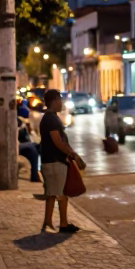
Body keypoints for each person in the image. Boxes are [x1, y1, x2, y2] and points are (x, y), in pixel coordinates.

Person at [39, 89, 86, 232]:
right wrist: (73, 155)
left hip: (52, 161)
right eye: (60, 99)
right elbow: (58, 142)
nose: (62, 103)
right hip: (55, 162)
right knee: (61, 194)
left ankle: (48, 222)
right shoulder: (51, 119)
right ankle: (63, 224)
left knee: (53, 193)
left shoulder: (50, 117)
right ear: (54, 101)